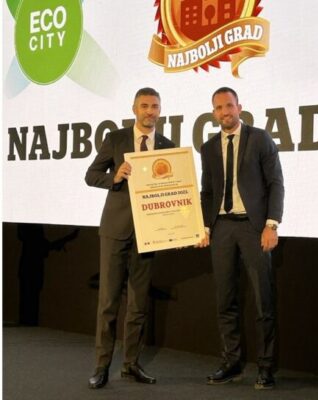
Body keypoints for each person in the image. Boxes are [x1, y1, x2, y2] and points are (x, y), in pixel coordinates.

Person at [85, 87, 175, 389]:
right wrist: (114, 177)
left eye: (155, 106)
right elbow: (91, 175)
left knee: (138, 304)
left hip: (149, 233)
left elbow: (173, 190)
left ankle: (131, 364)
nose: (150, 111)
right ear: (134, 109)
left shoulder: (167, 146)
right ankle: (101, 366)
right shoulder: (115, 139)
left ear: (160, 110)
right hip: (115, 230)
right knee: (109, 302)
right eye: (144, 106)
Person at [196, 87, 284, 390]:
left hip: (253, 226)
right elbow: (207, 191)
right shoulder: (208, 147)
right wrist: (205, 226)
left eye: (229, 106)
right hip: (221, 228)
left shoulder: (260, 138)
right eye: (219, 108)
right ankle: (231, 362)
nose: (225, 112)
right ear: (213, 113)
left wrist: (271, 224)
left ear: (239, 107)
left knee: (263, 301)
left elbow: (276, 183)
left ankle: (266, 368)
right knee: (225, 299)